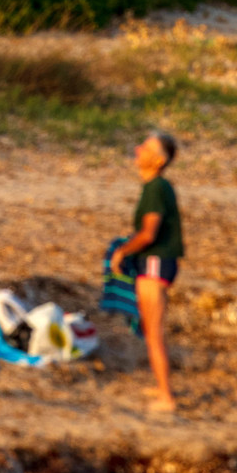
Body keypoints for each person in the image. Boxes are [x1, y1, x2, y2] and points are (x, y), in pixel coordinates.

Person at [102, 130, 184, 415]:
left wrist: (123, 252)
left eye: (146, 147)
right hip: (162, 263)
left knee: (154, 333)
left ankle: (166, 397)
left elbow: (148, 234)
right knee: (152, 330)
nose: (138, 150)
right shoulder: (159, 187)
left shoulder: (155, 189)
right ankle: (162, 387)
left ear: (159, 160)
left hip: (155, 264)